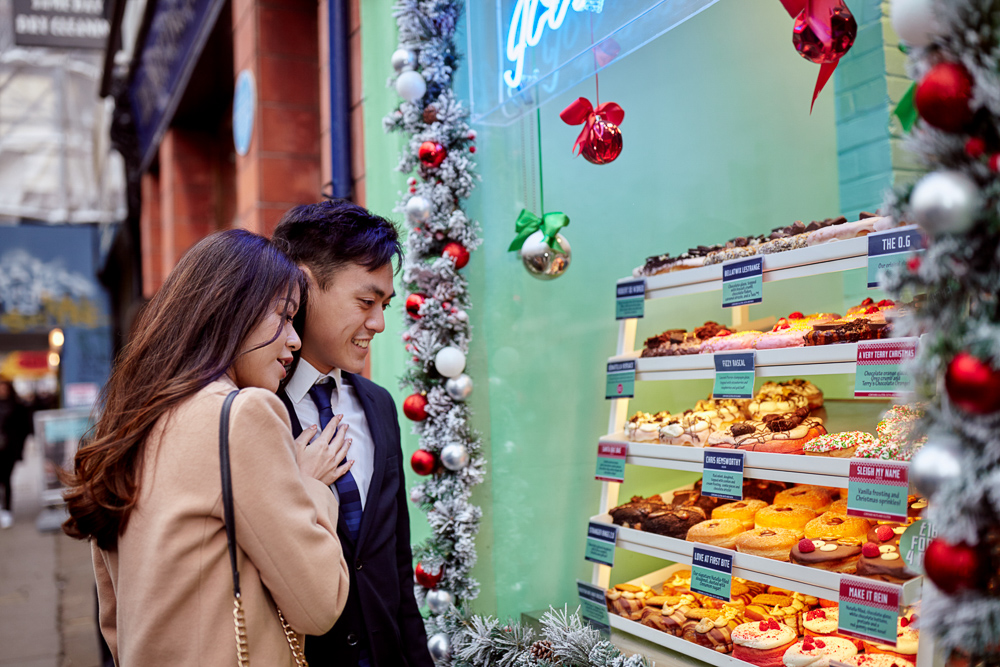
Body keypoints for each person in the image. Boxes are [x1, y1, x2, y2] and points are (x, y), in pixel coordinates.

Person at [62, 229, 353, 666]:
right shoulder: (242, 416)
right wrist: (309, 485)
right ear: (230, 311)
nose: (294, 339)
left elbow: (116, 618)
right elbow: (320, 603)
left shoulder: (132, 420)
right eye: (284, 315)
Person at [272, 199, 434, 667]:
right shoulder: (252, 409)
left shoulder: (379, 404)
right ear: (301, 285)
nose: (379, 324)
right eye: (366, 302)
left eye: (384, 305)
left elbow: (396, 568)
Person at [0, 379, 32, 529]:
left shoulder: (17, 406)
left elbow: (25, 428)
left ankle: (7, 509)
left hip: (9, 450)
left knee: (6, 479)